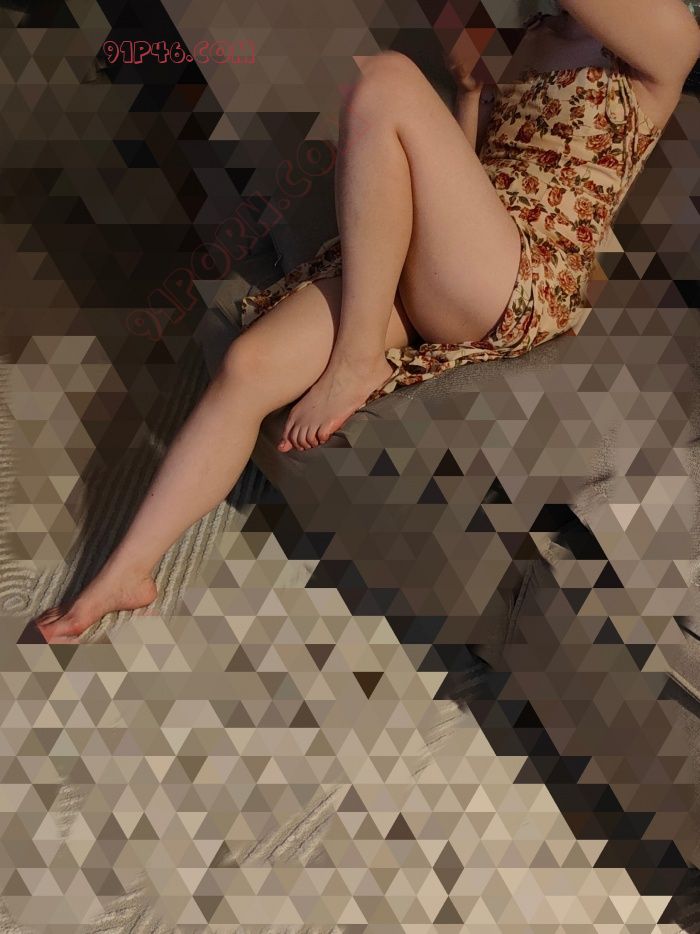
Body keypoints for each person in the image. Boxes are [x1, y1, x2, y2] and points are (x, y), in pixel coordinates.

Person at [33, 0, 700, 642]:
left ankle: (358, 356)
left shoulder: (671, 33)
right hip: (450, 256)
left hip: (517, 273)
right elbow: (473, 172)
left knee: (384, 79)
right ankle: (125, 576)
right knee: (249, 364)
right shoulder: (534, 33)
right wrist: (472, 93)